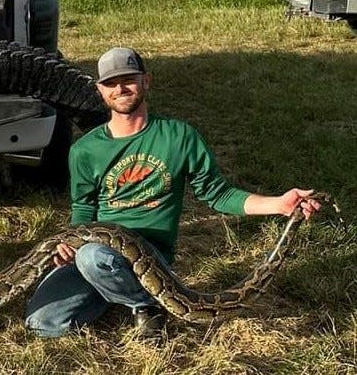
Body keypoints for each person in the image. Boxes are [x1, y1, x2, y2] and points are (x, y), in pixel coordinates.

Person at [24, 47, 321, 339]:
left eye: (128, 79)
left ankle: (147, 304)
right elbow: (84, 209)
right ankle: (117, 291)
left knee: (93, 258)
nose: (120, 88)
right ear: (100, 90)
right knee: (43, 323)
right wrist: (70, 243)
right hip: (99, 247)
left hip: (148, 253)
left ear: (146, 81)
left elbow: (217, 194)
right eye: (111, 83)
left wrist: (279, 204)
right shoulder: (85, 150)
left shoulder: (178, 136)